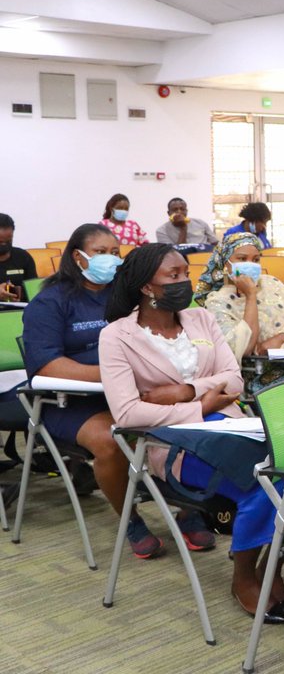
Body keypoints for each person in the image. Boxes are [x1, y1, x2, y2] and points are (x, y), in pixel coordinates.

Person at [99, 244, 284, 624]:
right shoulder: (117, 336)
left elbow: (234, 380)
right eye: (173, 276)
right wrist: (200, 406)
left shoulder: (201, 319)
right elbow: (128, 412)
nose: (184, 282)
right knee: (263, 484)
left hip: (233, 426)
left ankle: (269, 568)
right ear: (146, 287)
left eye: (185, 273)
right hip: (172, 442)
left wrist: (184, 390)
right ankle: (244, 576)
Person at [21, 223, 171, 558]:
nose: (111, 259)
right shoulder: (51, 302)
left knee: (180, 421)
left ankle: (189, 512)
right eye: (101, 252)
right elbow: (46, 366)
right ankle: (130, 519)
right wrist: (113, 376)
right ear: (78, 257)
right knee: (110, 440)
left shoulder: (125, 296)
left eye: (116, 252)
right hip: (68, 402)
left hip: (127, 393)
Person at [196, 233, 284, 393]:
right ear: (225, 263)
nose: (250, 264)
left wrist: (282, 337)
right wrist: (250, 295)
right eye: (242, 259)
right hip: (256, 373)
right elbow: (244, 348)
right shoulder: (217, 302)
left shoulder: (271, 284)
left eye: (256, 259)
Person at [0, 213, 38, 302]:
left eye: (8, 241)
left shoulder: (23, 257)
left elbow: (34, 290)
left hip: (20, 307)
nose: (4, 245)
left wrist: (17, 294)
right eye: (0, 242)